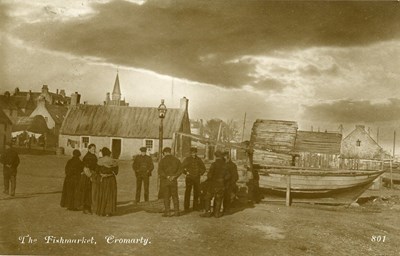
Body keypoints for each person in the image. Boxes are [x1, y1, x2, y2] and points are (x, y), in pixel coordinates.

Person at [201, 150, 230, 218]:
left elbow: (209, 176)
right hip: (221, 184)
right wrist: (222, 179)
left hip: (213, 184)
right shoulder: (225, 165)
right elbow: (228, 175)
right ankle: (216, 213)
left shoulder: (214, 164)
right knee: (218, 199)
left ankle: (207, 213)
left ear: (216, 156)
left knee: (208, 197)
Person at [158, 147, 182, 217]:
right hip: (173, 181)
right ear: (170, 152)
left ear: (165, 153)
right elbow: (180, 170)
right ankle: (177, 212)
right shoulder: (176, 160)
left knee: (166, 196)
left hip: (165, 181)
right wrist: (174, 176)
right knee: (175, 196)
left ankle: (167, 212)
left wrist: (167, 176)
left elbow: (160, 171)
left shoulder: (162, 161)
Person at [96, 147, 119, 217]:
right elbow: (116, 172)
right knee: (110, 194)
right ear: (109, 153)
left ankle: (102, 211)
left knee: (102, 194)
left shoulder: (99, 161)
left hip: (103, 179)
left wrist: (102, 174)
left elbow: (97, 171)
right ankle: (108, 212)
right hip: (111, 179)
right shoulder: (113, 161)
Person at [182, 147, 206, 212]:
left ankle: (195, 207)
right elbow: (182, 167)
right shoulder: (187, 159)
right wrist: (186, 172)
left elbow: (203, 168)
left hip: (196, 178)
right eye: (192, 152)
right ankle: (186, 207)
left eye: (194, 152)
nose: (193, 154)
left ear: (196, 153)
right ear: (190, 153)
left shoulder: (199, 159)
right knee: (188, 192)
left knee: (196, 192)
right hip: (189, 178)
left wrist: (200, 173)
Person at [80, 144, 98, 214]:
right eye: (93, 149)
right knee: (87, 192)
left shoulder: (93, 156)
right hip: (88, 177)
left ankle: (89, 207)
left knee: (91, 192)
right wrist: (90, 176)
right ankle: (86, 208)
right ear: (89, 149)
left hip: (92, 175)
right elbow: (86, 168)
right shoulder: (88, 157)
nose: (94, 150)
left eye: (94, 148)